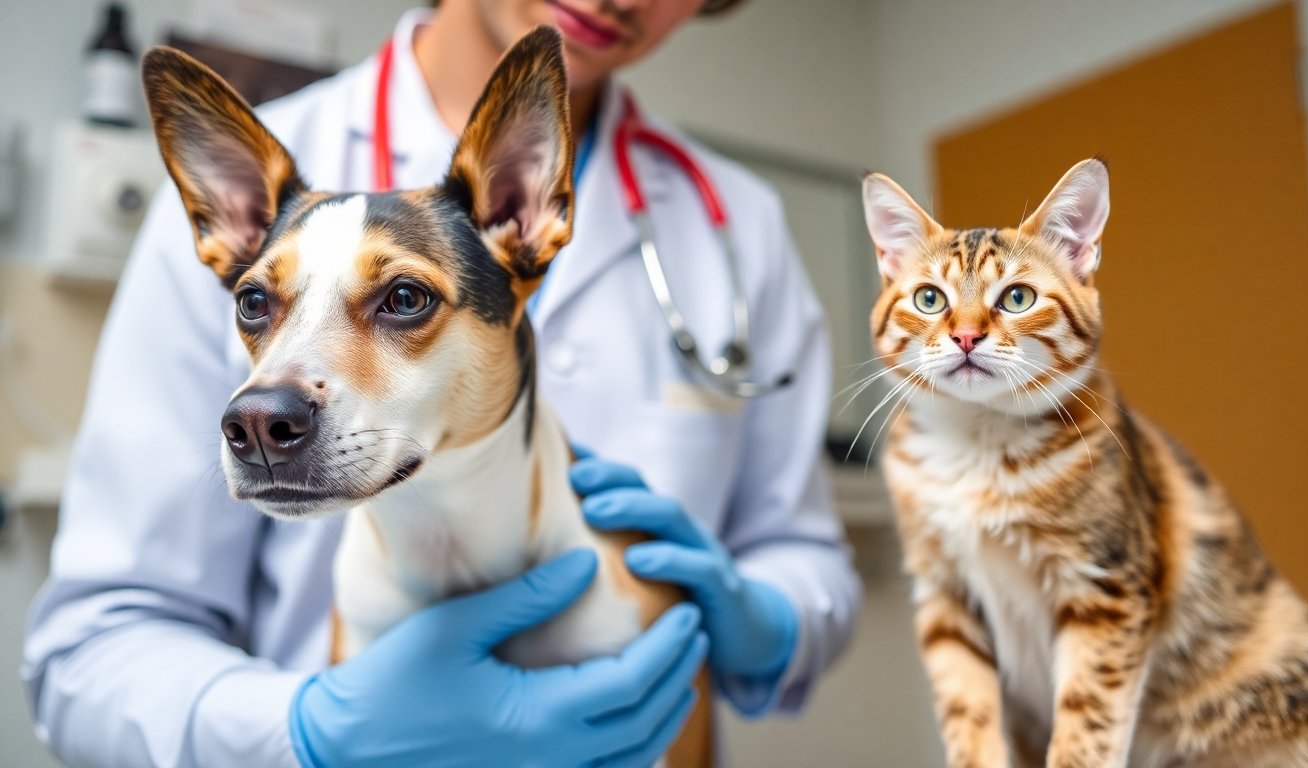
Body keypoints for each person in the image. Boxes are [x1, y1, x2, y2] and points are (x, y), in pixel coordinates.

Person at [23, 1, 860, 765]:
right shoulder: (260, 194)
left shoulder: (738, 223)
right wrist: (305, 733)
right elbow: (92, 646)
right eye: (255, 303)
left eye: (404, 299)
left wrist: (767, 615)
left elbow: (805, 553)